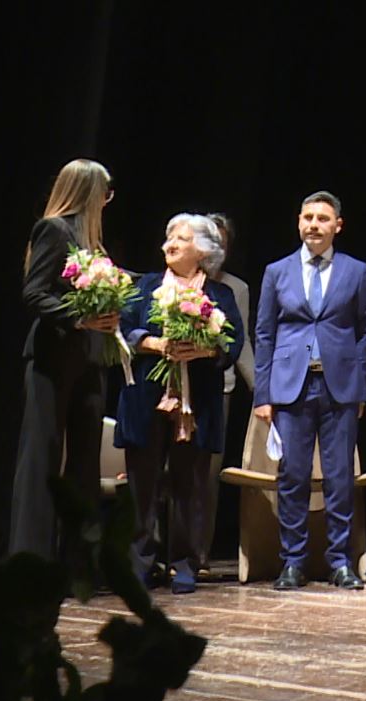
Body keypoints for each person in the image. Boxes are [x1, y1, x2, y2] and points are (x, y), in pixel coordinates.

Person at [114, 214, 243, 593]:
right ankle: (141, 562)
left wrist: (204, 350)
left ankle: (184, 562)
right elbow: (123, 325)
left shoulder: (220, 296)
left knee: (189, 483)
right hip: (146, 399)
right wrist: (154, 344)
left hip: (196, 401)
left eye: (182, 239)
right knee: (142, 482)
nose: (170, 243)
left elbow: (233, 344)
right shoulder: (146, 286)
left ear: (203, 250)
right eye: (169, 236)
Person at [254, 191, 366, 590]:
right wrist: (263, 394)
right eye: (307, 217)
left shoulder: (356, 272)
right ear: (298, 222)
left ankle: (340, 561)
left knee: (340, 477)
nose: (314, 225)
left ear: (337, 225)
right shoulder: (277, 271)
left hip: (339, 387)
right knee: (293, 477)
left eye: (323, 218)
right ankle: (293, 561)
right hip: (290, 388)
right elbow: (265, 333)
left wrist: (359, 388)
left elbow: (365, 332)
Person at [11, 159, 119, 560]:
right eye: (105, 193)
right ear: (89, 192)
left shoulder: (94, 242)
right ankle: (31, 555)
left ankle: (78, 561)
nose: (108, 201)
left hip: (90, 360)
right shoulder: (54, 230)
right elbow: (34, 293)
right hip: (52, 358)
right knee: (43, 455)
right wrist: (79, 318)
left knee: (85, 461)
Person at [204, 212, 256, 570]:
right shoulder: (165, 282)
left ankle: (198, 555)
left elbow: (242, 343)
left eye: (222, 242)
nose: (215, 249)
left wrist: (261, 391)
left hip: (218, 389)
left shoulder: (235, 289)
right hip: (170, 388)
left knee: (208, 476)